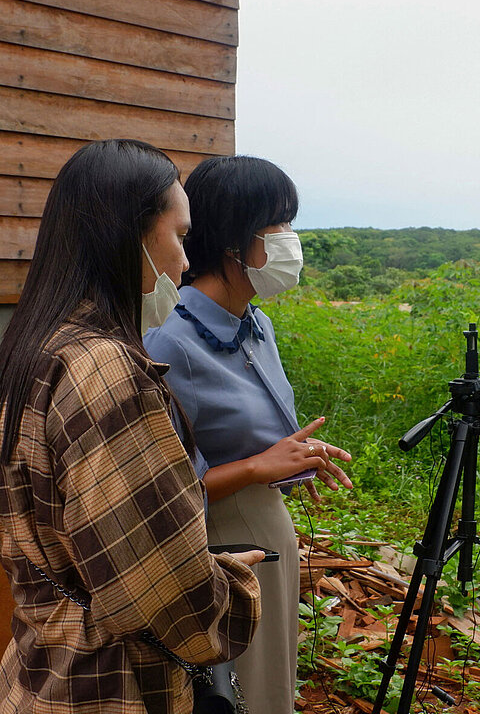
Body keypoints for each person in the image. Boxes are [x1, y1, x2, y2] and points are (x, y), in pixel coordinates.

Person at [0, 140, 263, 714]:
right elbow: (172, 598)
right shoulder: (107, 369)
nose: (185, 261)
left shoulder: (35, 347)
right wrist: (231, 587)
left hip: (41, 666)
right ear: (131, 235)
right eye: (178, 234)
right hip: (111, 684)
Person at [144, 155, 353, 714]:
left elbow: (258, 432)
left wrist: (291, 459)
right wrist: (260, 467)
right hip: (216, 543)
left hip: (267, 524)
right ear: (235, 239)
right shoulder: (170, 341)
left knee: (271, 684)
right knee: (236, 693)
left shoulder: (256, 323)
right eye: (278, 225)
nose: (291, 241)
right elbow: (159, 492)